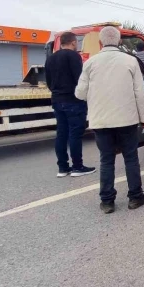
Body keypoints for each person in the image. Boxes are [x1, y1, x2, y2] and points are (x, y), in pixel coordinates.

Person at [75, 26, 144, 214]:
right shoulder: (130, 61)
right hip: (127, 119)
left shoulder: (90, 63)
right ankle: (135, 197)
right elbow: (140, 93)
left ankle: (107, 201)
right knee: (131, 158)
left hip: (101, 121)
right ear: (119, 42)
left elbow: (80, 93)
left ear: (100, 43)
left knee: (106, 160)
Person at [44, 32, 95, 178]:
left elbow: (48, 81)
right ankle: (77, 167)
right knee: (75, 134)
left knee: (61, 134)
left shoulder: (51, 58)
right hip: (73, 100)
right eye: (76, 43)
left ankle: (63, 167)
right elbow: (80, 79)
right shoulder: (73, 56)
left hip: (57, 100)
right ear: (73, 43)